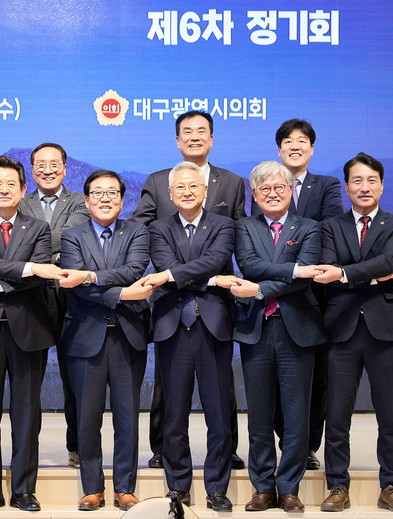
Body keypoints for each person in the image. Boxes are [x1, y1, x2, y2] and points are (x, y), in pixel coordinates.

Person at [130, 110, 246, 470]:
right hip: (171, 301)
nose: (194, 137)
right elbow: (139, 228)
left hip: (214, 303)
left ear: (211, 139)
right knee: (167, 385)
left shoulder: (231, 182)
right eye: (187, 132)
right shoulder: (158, 180)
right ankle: (162, 449)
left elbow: (239, 235)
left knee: (221, 387)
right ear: (177, 140)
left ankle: (226, 451)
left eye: (201, 132)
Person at [0, 155, 64, 512]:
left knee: (27, 412)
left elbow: (40, 276)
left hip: (28, 327)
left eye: (11, 184)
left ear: (22, 190)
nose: (4, 190)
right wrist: (30, 268)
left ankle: (24, 488)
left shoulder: (38, 228)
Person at [314, 152, 393, 513]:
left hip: (386, 328)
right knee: (336, 415)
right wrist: (374, 277)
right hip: (341, 327)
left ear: (382, 185)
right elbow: (327, 269)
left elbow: (389, 261)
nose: (364, 187)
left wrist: (345, 274)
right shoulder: (331, 226)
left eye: (372, 180)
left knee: (389, 414)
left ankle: (391, 486)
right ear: (346, 187)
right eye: (357, 180)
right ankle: (337, 486)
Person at [229, 161, 326, 512]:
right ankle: (263, 487)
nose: (272, 194)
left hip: (296, 330)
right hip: (256, 329)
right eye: (264, 189)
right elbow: (250, 265)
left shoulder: (309, 227)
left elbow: (304, 278)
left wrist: (258, 289)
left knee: (296, 415)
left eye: (279, 188)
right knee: (258, 414)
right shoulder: (245, 226)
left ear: (290, 191)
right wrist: (294, 269)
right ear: (254, 195)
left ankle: (288, 488)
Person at [140, 162, 236, 512]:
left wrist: (173, 277)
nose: (187, 192)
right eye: (179, 187)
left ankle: (217, 488)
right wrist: (212, 280)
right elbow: (165, 264)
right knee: (174, 414)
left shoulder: (224, 225)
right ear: (170, 193)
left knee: (218, 414)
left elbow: (214, 260)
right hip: (172, 327)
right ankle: (178, 485)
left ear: (205, 190)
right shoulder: (158, 228)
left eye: (193, 186)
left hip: (213, 326)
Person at [252, 119, 344, 471]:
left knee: (313, 381)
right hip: (272, 299)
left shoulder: (327, 185)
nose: (295, 145)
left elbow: (330, 229)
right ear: (279, 149)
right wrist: (291, 265)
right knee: (273, 385)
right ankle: (285, 443)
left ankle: (306, 447)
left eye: (302, 140)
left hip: (313, 298)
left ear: (312, 148)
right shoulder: (264, 183)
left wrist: (300, 256)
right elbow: (259, 241)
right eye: (288, 141)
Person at [58, 170, 152, 511]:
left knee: (127, 416)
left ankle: (125, 487)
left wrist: (90, 276)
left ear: (122, 200)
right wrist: (123, 294)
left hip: (128, 336)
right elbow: (75, 287)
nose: (105, 198)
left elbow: (133, 270)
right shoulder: (72, 236)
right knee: (87, 417)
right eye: (97, 192)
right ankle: (92, 488)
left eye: (112, 192)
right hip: (85, 335)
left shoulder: (137, 232)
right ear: (86, 200)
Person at [18, 142, 90, 468]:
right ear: (32, 169)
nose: (48, 170)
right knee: (27, 382)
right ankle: (26, 452)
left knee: (75, 377)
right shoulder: (20, 201)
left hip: (69, 296)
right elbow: (21, 242)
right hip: (29, 297)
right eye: (41, 165)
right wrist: (52, 254)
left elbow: (70, 238)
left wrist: (32, 252)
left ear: (65, 167)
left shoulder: (79, 202)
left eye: (54, 164)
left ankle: (78, 446)